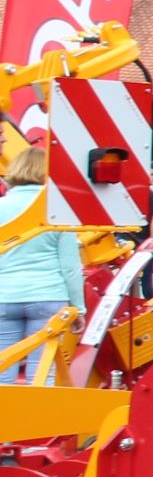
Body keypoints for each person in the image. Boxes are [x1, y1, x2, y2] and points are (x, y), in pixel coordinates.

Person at [0, 145, 80, 383]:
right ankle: (38, 419)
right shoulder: (57, 210)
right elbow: (70, 266)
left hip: (4, 295)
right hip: (48, 295)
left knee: (4, 366)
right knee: (42, 370)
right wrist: (79, 308)